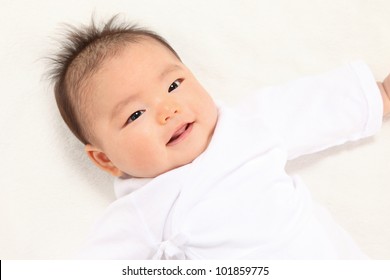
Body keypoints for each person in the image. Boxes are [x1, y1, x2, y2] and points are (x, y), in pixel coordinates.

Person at [49, 15, 390, 259]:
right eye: (135, 114)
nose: (167, 110)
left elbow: (307, 108)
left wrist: (378, 96)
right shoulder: (141, 208)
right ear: (105, 159)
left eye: (173, 85)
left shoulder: (245, 126)